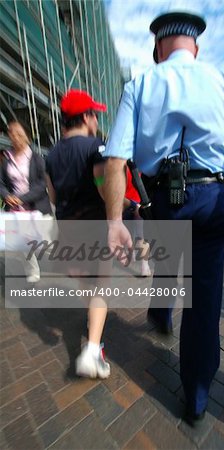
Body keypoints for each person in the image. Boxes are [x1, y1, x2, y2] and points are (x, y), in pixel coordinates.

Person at [103, 11, 224, 426]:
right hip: (212, 197)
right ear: (197, 46)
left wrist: (114, 221)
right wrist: (221, 166)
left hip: (164, 201)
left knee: (168, 261)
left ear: (158, 48)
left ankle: (160, 312)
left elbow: (116, 158)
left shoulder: (140, 84)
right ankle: (196, 396)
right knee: (204, 298)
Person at [45, 89, 110, 379]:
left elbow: (53, 196)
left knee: (87, 284)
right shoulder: (95, 147)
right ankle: (92, 351)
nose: (96, 120)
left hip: (68, 227)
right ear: (85, 117)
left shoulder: (51, 155)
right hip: (94, 225)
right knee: (103, 287)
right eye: (94, 114)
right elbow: (102, 187)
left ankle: (92, 330)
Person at [0, 121, 52, 283]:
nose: (15, 137)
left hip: (37, 208)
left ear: (27, 137)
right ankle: (33, 272)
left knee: (46, 244)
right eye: (11, 133)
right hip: (17, 211)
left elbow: (42, 184)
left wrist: (21, 198)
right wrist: (7, 195)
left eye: (19, 134)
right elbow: (1, 183)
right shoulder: (7, 159)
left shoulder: (36, 158)